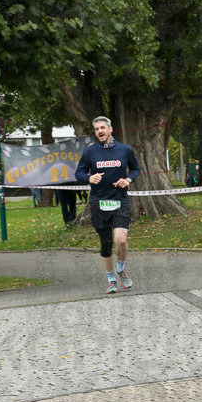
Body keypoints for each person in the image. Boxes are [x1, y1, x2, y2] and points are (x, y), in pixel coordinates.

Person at [74, 116, 140, 294]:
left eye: (103, 128)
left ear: (110, 129)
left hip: (120, 200)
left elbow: (135, 169)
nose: (100, 131)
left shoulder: (125, 150)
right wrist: (88, 177)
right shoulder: (90, 152)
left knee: (121, 241)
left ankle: (120, 268)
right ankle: (111, 279)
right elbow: (79, 172)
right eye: (96, 129)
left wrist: (128, 180)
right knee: (106, 243)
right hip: (98, 202)